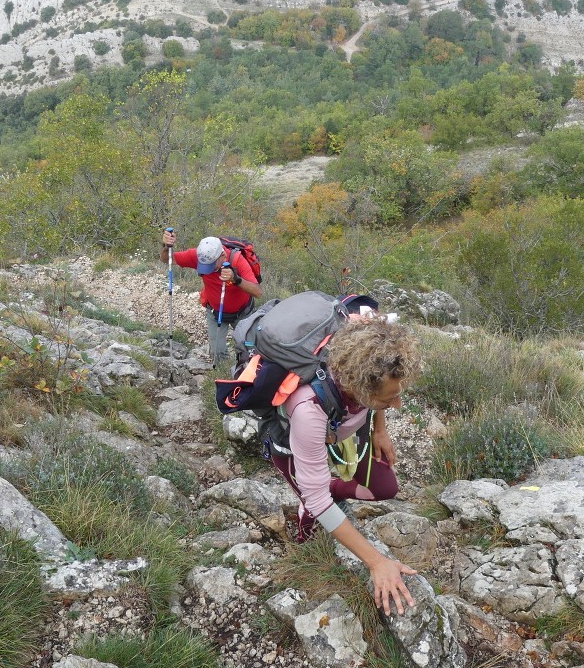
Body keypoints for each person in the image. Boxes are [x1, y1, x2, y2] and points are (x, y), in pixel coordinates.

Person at [270, 314, 422, 616]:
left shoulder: (367, 375)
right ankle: (305, 541)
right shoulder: (308, 411)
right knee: (315, 508)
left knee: (384, 486)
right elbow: (316, 501)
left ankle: (324, 485)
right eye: (389, 398)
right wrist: (377, 562)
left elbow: (381, 393)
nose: (397, 405)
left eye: (398, 394)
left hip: (340, 434)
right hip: (294, 445)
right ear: (360, 388)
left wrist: (380, 429)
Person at [161, 229, 262, 365]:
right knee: (216, 352)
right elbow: (167, 259)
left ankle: (243, 374)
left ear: (222, 256)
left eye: (212, 266)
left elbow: (257, 292)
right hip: (215, 311)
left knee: (248, 350)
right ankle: (223, 373)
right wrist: (167, 246)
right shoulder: (198, 255)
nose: (208, 269)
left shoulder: (237, 260)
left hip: (242, 313)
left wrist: (236, 279)